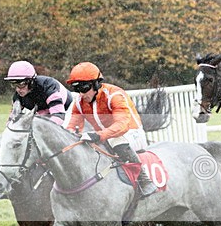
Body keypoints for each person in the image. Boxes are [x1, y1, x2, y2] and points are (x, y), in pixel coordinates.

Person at [64, 61, 157, 197]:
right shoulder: (79, 102)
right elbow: (71, 127)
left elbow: (121, 126)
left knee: (115, 139)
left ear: (96, 84)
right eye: (76, 89)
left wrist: (98, 135)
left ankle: (144, 180)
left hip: (131, 134)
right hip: (106, 137)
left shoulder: (115, 95)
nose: (81, 94)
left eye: (84, 88)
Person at [3, 60, 72, 125]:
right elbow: (12, 121)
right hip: (43, 111)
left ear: (31, 82)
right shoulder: (18, 97)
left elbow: (59, 116)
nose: (18, 89)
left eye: (21, 84)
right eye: (14, 84)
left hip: (68, 109)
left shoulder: (48, 86)